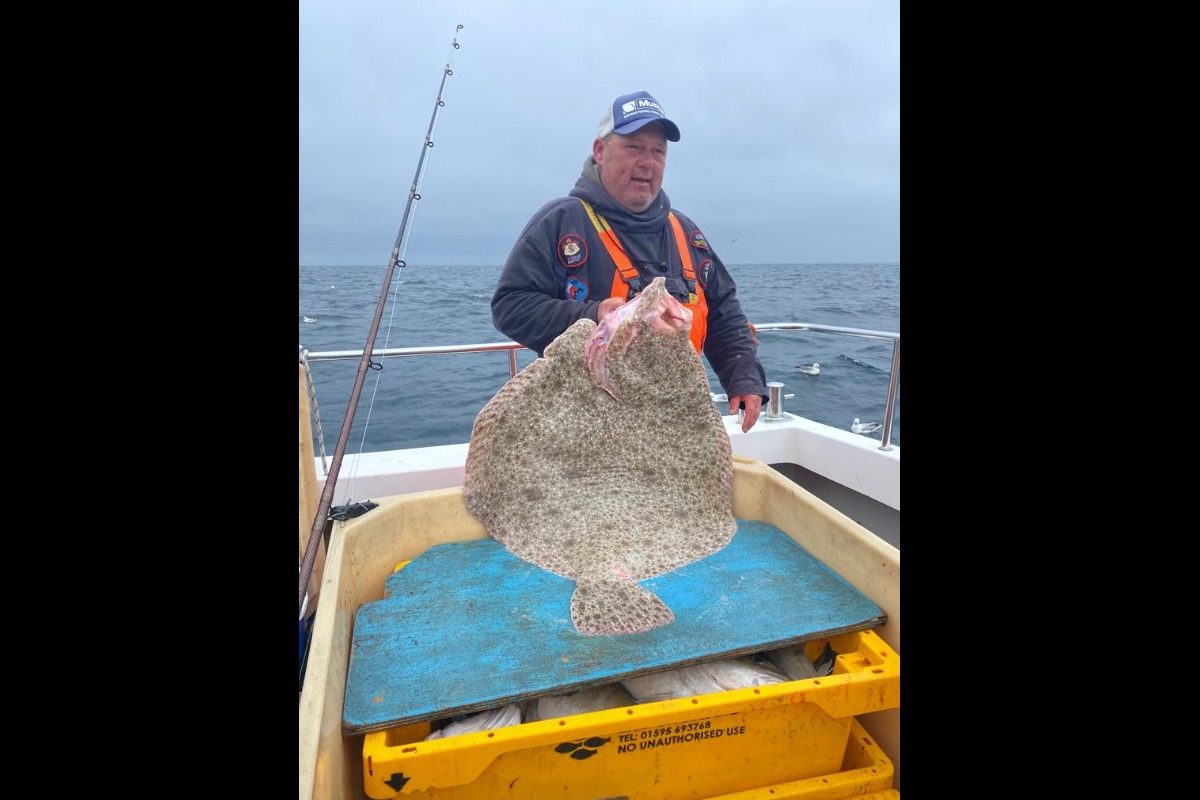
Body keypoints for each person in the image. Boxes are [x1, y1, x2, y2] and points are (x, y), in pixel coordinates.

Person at [491, 90, 767, 431]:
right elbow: (510, 306)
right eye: (634, 147)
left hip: (673, 419)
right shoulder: (561, 221)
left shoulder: (686, 233)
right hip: (584, 423)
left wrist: (744, 375)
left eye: (658, 151)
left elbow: (723, 311)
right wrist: (593, 316)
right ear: (600, 151)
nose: (647, 162)